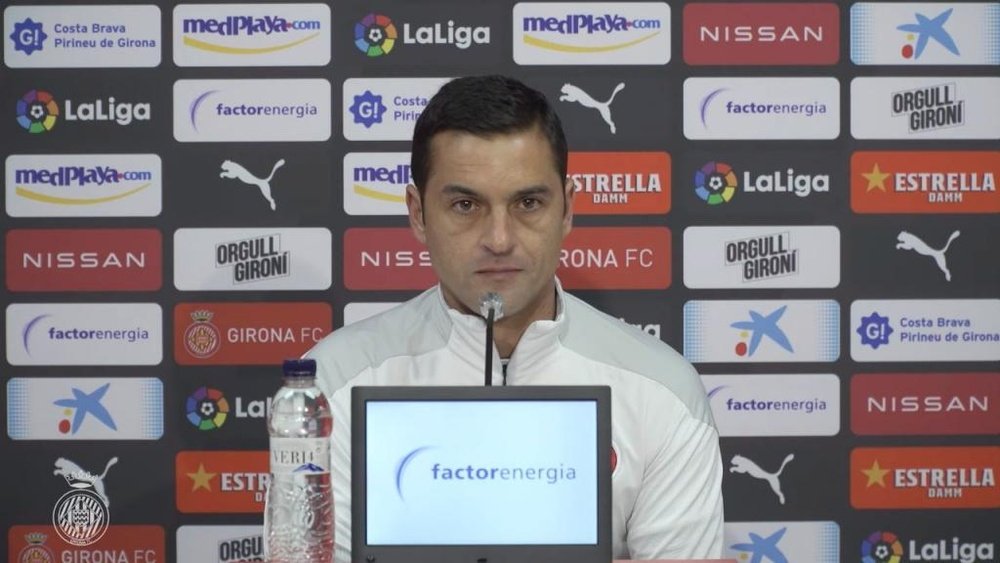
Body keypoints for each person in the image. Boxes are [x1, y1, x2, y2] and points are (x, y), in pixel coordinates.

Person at [306, 74, 724, 561]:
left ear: (567, 208)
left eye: (528, 203)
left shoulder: (661, 390)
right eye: (465, 205)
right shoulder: (331, 383)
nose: (499, 238)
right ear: (418, 213)